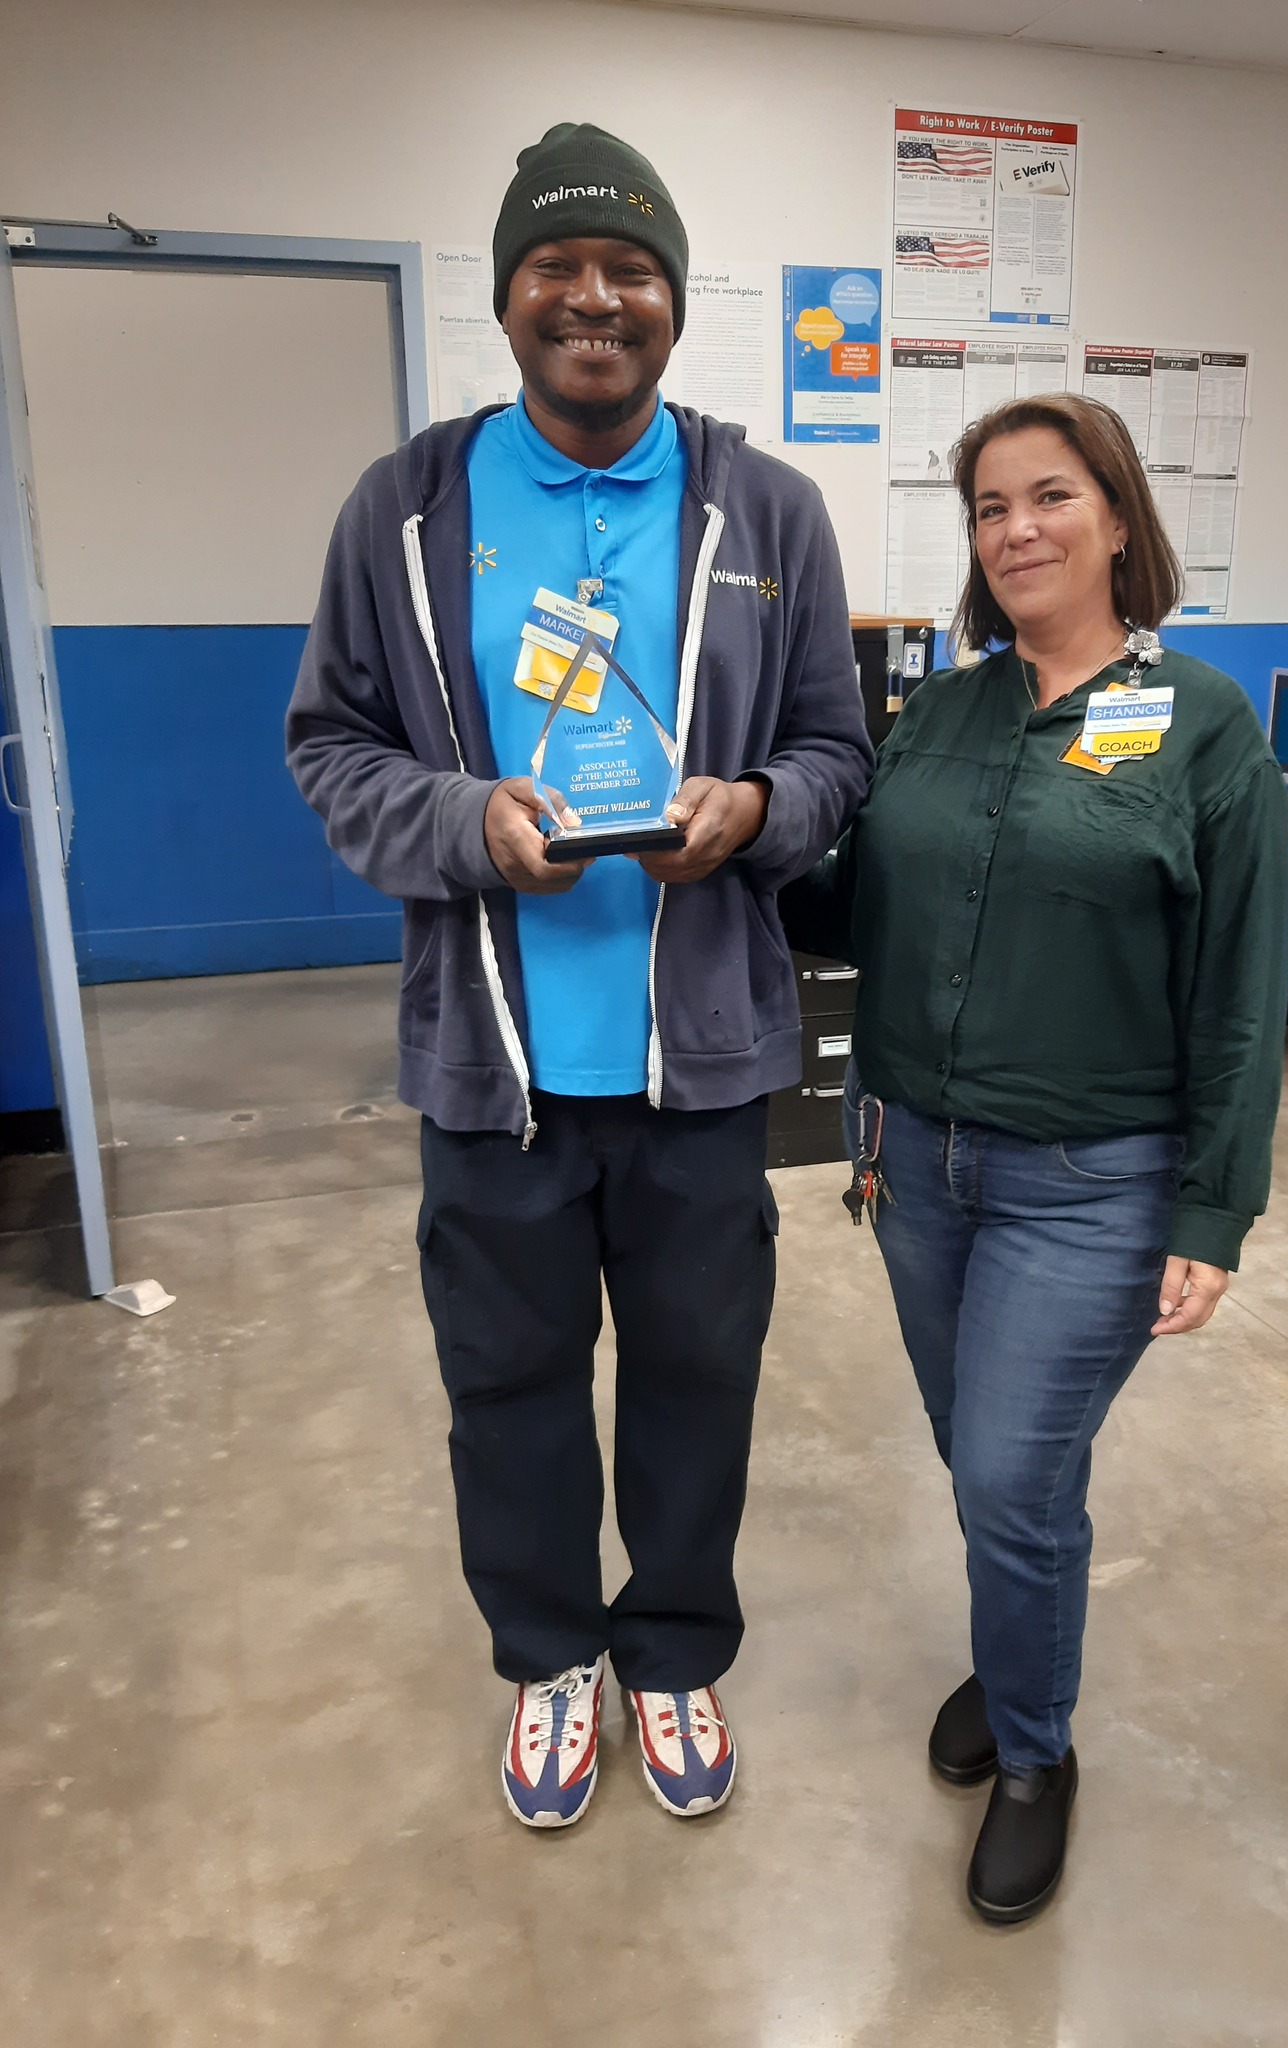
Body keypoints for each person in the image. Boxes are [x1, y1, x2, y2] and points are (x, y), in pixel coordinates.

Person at [287, 123, 872, 1830]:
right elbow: (331, 747)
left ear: (675, 303)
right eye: (557, 266)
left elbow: (838, 753)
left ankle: (674, 1655)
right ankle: (551, 1657)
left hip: (703, 1066)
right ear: (508, 299)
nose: (594, 298)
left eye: (631, 269)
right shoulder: (406, 510)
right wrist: (464, 822)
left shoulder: (769, 510)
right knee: (510, 1390)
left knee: (699, 1379)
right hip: (498, 1069)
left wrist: (755, 810)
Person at [783, 393, 1288, 1922]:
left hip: (1092, 1184)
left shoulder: (1204, 725)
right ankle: (1017, 1654)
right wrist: (737, 828)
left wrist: (1215, 1207)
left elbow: (1242, 993)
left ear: (1120, 518)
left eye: (1050, 496)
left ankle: (1033, 1753)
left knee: (1012, 1474)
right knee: (988, 1459)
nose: (1016, 530)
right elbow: (847, 907)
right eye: (990, 507)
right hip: (911, 1159)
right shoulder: (938, 715)